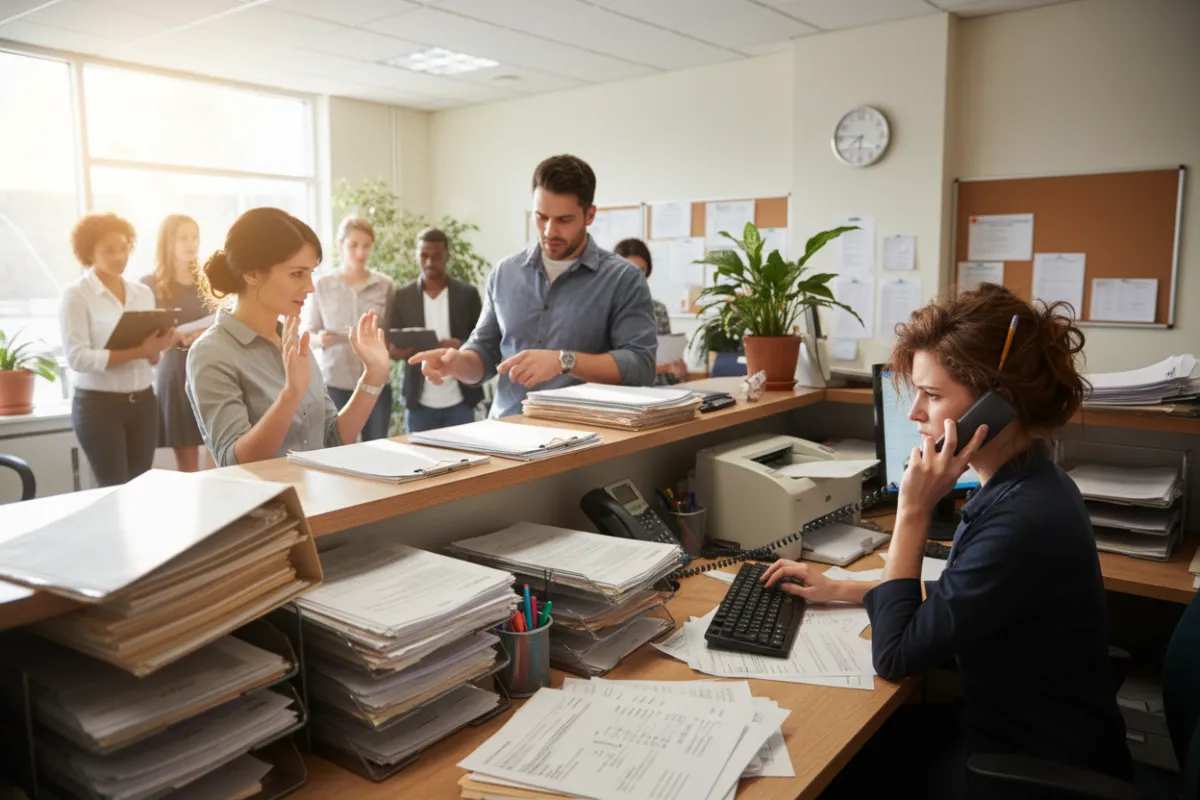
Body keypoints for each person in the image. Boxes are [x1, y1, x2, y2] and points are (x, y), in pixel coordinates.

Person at [761, 284, 1131, 797]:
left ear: (996, 406)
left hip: (1028, 769)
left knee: (825, 767)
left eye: (932, 395)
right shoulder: (1030, 483)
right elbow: (969, 595)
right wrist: (845, 589)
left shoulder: (1021, 520)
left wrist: (912, 511)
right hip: (1023, 736)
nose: (914, 412)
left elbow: (895, 654)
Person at [411, 154, 657, 418]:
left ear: (590, 215)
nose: (550, 231)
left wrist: (564, 360)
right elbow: (484, 353)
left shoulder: (624, 279)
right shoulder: (505, 273)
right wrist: (456, 363)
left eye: (564, 220)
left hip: (583, 433)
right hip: (506, 429)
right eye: (541, 217)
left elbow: (640, 366)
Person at [186, 208, 390, 467]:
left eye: (310, 273)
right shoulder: (212, 352)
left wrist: (373, 374)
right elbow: (233, 462)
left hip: (317, 491)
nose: (310, 287)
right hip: (266, 495)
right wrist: (290, 395)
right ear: (252, 273)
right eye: (297, 274)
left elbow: (331, 439)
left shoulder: (293, 341)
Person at [59, 212, 175, 487]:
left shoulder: (142, 293)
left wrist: (158, 347)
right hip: (99, 407)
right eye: (109, 250)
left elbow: (151, 357)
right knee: (113, 489)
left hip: (143, 404)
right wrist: (140, 350)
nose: (119, 256)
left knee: (140, 488)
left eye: (123, 248)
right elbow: (77, 358)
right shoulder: (76, 295)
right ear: (89, 253)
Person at [305, 216, 396, 441]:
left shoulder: (385, 285)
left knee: (377, 448)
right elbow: (309, 334)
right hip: (336, 382)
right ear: (340, 245)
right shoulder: (322, 285)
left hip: (377, 384)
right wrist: (320, 339)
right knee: (336, 448)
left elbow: (390, 334)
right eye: (353, 245)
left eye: (366, 246)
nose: (360, 253)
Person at [386, 228, 483, 433]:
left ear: (448, 257)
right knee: (419, 455)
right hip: (419, 402)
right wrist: (397, 352)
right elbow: (392, 344)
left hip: (461, 399)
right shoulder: (403, 296)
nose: (429, 262)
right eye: (424, 256)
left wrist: (459, 344)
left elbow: (483, 339)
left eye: (436, 256)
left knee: (464, 453)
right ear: (416, 256)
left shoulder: (467, 294)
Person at [141, 214, 212, 472]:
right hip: (175, 371)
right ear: (167, 242)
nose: (191, 243)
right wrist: (176, 336)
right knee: (188, 464)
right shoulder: (149, 285)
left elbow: (222, 320)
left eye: (195, 237)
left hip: (209, 366)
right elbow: (148, 339)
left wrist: (203, 332)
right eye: (183, 238)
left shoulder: (207, 281)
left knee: (219, 452)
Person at [613, 238, 688, 385]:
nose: (636, 276)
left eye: (641, 270)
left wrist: (675, 372)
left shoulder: (658, 309)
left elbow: (666, 363)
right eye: (629, 269)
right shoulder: (604, 309)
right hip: (620, 391)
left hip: (658, 390)